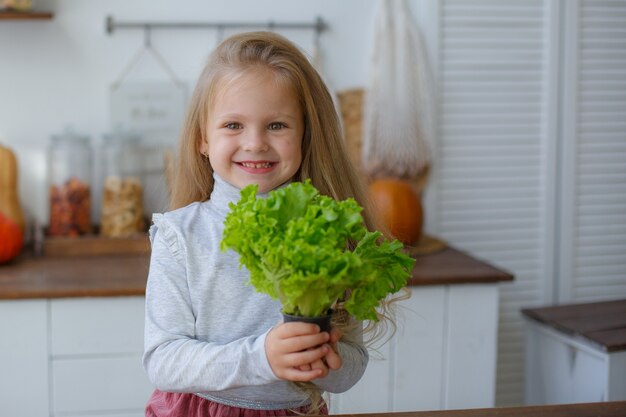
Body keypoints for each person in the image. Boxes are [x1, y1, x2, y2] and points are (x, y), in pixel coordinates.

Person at [143, 31, 383, 417]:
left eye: (277, 126)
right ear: (203, 138)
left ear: (307, 134)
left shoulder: (328, 233)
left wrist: (327, 361)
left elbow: (353, 363)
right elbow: (163, 360)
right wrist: (262, 358)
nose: (255, 143)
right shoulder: (180, 236)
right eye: (233, 125)